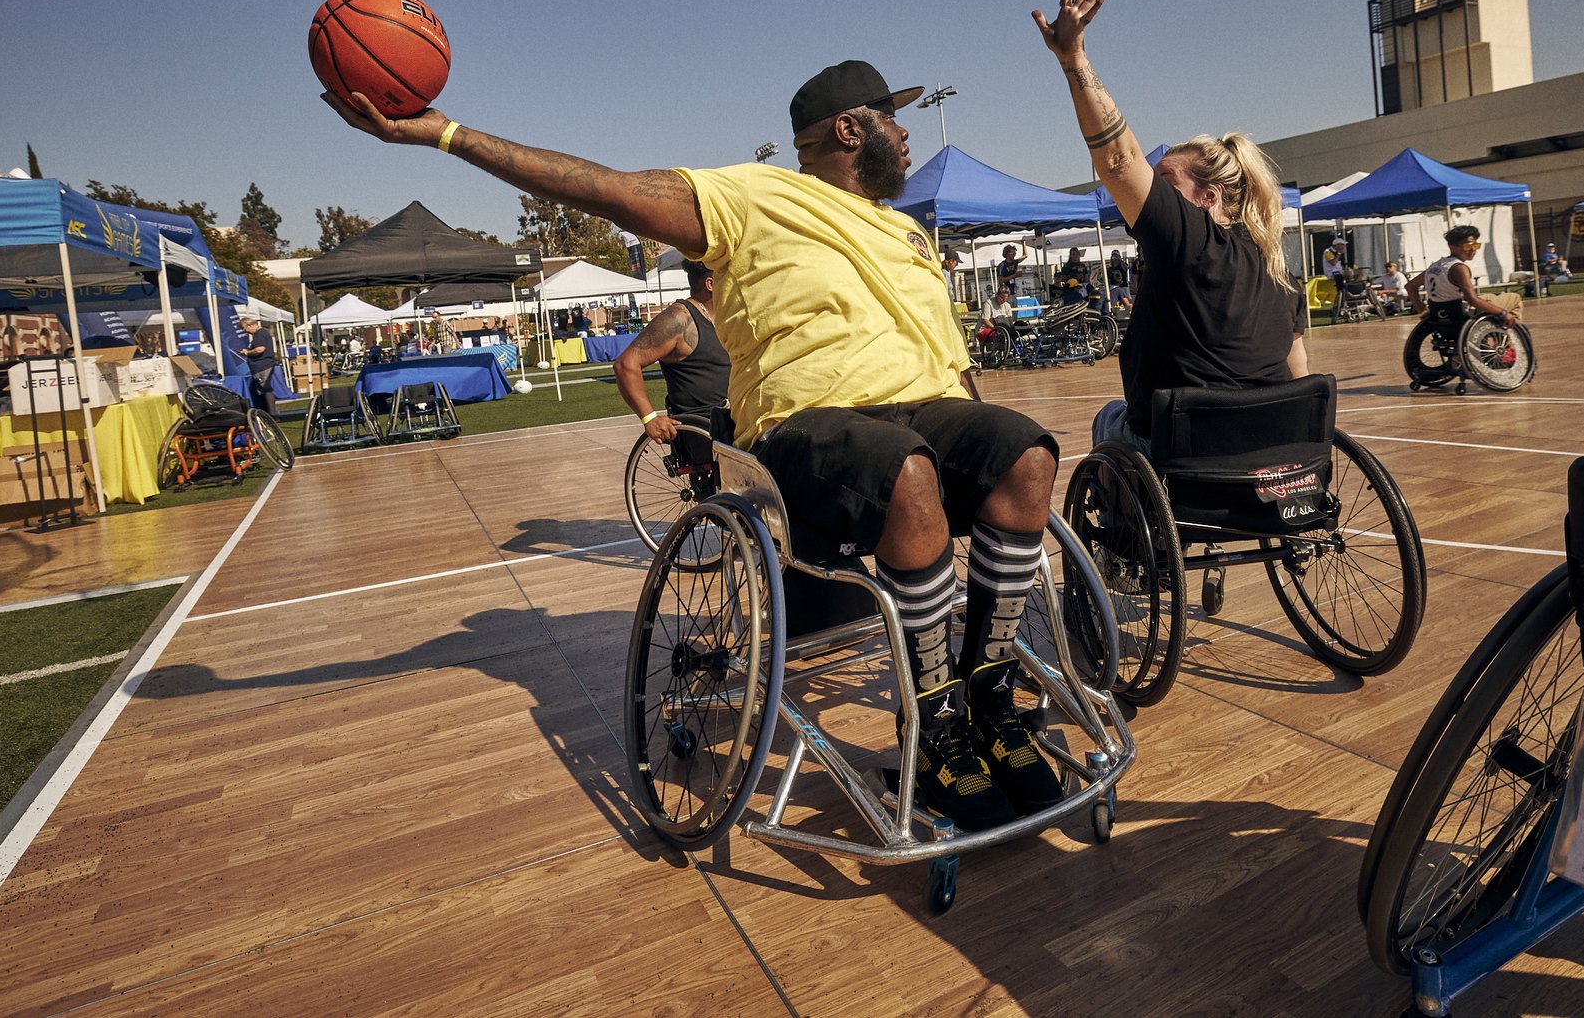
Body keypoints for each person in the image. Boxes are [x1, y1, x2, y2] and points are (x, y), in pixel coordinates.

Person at [324, 56, 1065, 831]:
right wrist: (447, 135)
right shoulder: (758, 194)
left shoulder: (906, 230)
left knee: (1026, 453)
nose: (907, 132)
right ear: (851, 128)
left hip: (926, 408)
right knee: (905, 474)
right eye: (894, 117)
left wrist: (991, 466)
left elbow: (953, 365)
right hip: (808, 423)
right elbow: (601, 186)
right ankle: (936, 727)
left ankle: (989, 693)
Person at [1033, 0, 1308, 452]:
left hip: (1190, 447)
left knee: (1109, 419)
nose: (1151, 191)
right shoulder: (1278, 271)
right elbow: (1299, 372)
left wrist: (1073, 59)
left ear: (1207, 198)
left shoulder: (1193, 242)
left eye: (1165, 183)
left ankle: (1132, 525)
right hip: (1270, 449)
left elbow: (1119, 160)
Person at [613, 260, 735, 452]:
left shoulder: (725, 317)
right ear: (710, 284)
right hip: (707, 429)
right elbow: (625, 364)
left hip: (734, 419)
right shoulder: (679, 319)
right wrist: (650, 418)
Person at [1406, 226, 1520, 329]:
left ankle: (1497, 333)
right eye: (1468, 245)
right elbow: (1473, 300)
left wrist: (1423, 313)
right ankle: (1507, 340)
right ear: (1452, 247)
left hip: (1440, 315)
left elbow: (1410, 286)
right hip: (1463, 313)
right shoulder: (1459, 268)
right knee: (1515, 298)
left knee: (1489, 296)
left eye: (1476, 245)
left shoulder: (1435, 266)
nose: (1473, 249)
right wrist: (1503, 313)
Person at [233, 317, 279, 416]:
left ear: (249, 325)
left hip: (262, 365)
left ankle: (272, 414)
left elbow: (260, 349)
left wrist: (247, 352)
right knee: (263, 389)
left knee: (265, 388)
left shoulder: (259, 334)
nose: (245, 331)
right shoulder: (261, 334)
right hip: (262, 365)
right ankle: (269, 412)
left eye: (245, 329)